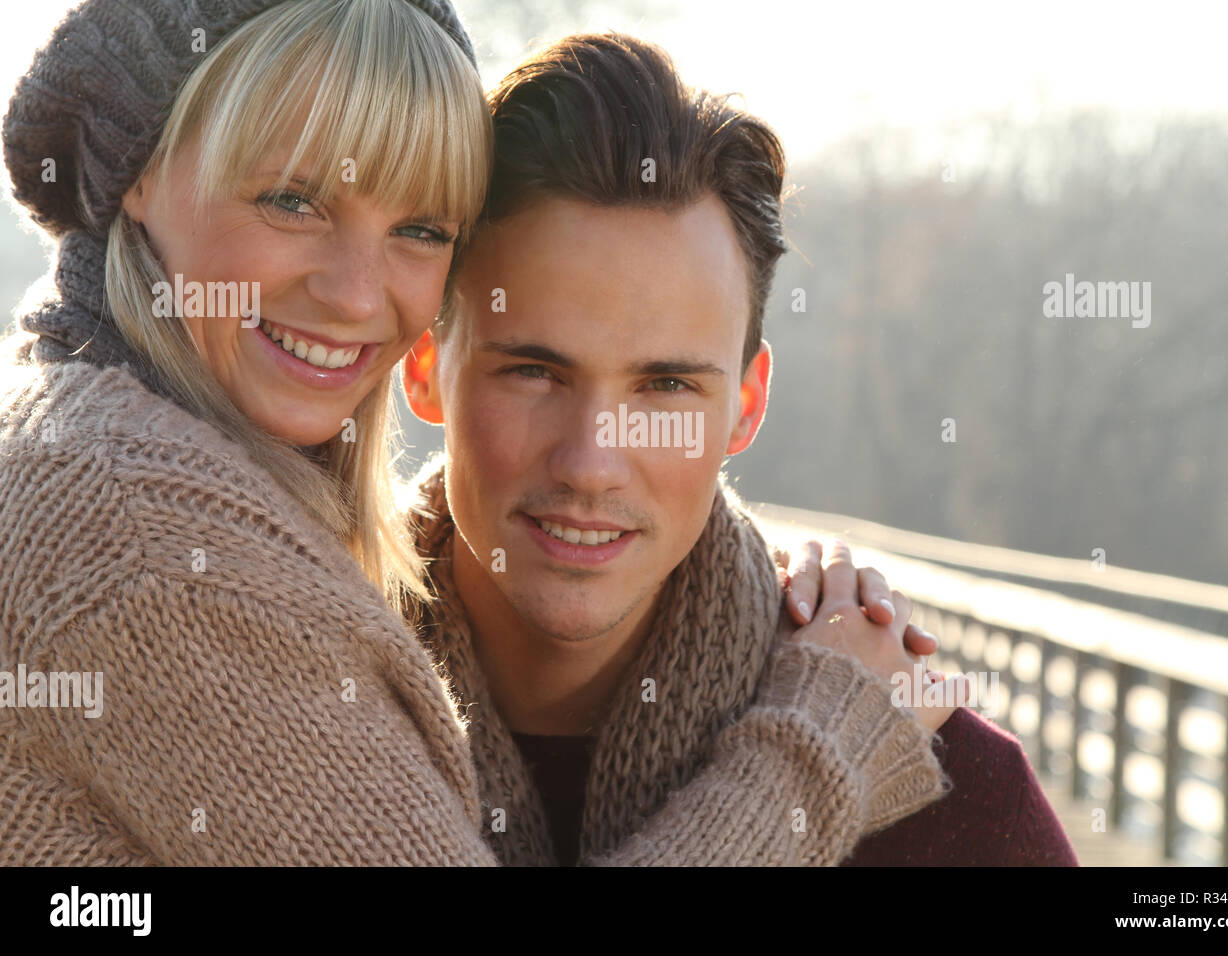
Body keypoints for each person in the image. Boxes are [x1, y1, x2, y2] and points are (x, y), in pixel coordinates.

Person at [0, 0, 952, 866]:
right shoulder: (152, 538)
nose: (357, 294)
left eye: (419, 228)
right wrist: (825, 740)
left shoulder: (111, 459)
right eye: (291, 201)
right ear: (138, 174)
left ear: (746, 405)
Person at [401, 32, 1078, 866]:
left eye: (667, 387)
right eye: (535, 372)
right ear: (424, 368)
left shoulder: (956, 800)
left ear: (746, 407)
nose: (590, 461)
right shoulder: (282, 692)